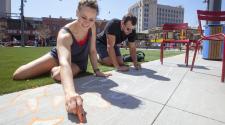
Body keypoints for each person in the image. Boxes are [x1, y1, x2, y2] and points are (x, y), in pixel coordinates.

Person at [13, 0, 110, 115]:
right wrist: (70, 93)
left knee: (59, 74)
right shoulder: (65, 34)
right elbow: (64, 62)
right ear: (77, 13)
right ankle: (55, 67)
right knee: (19, 74)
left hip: (78, 64)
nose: (87, 23)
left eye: (91, 19)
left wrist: (97, 70)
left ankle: (54, 69)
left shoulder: (92, 27)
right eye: (84, 17)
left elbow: (93, 50)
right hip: (60, 56)